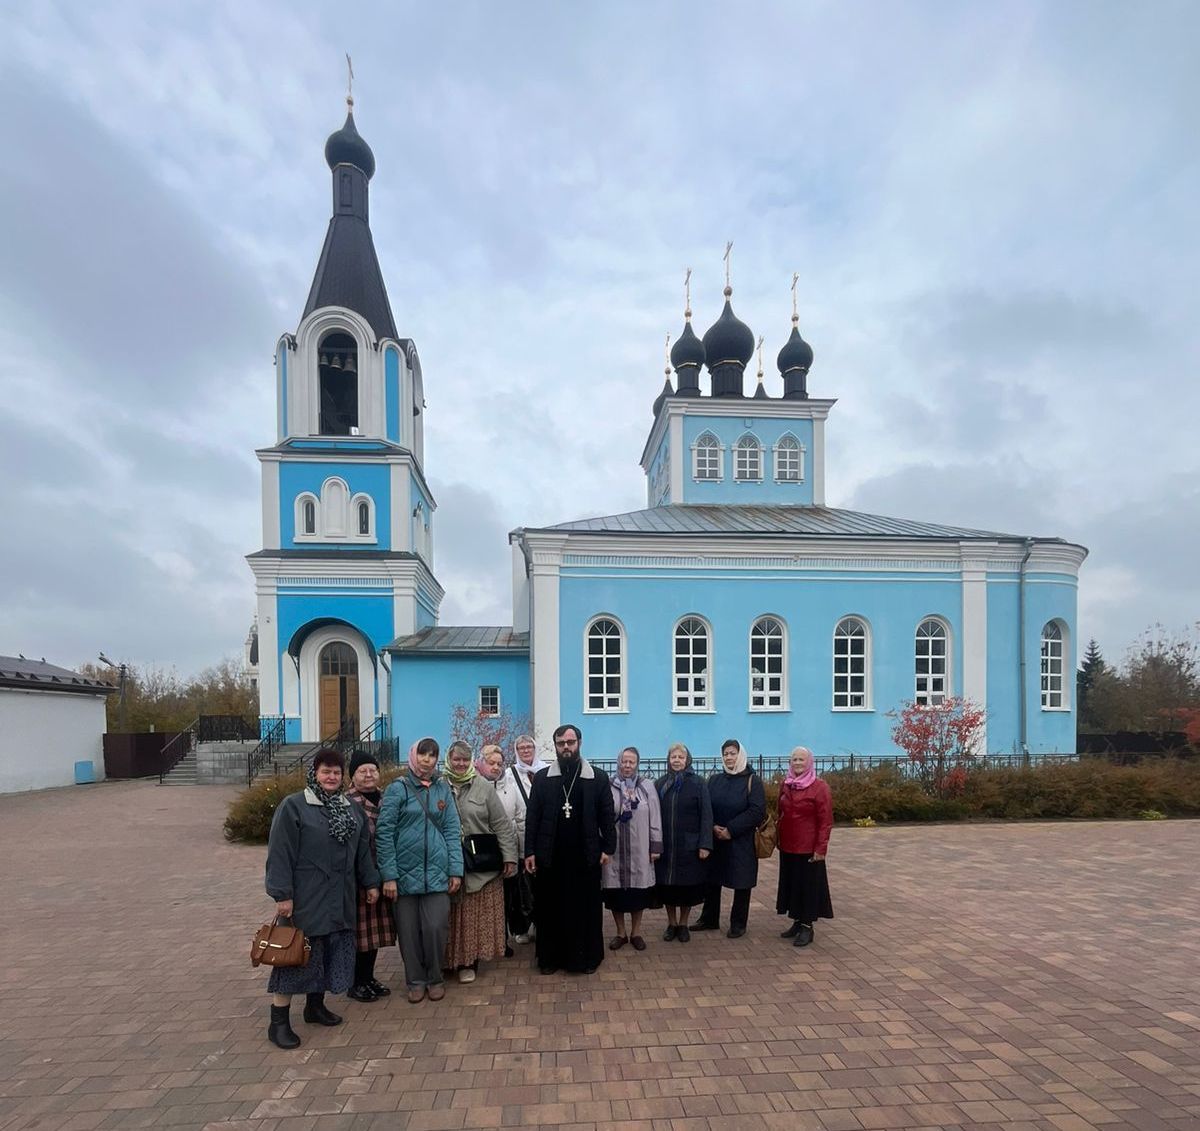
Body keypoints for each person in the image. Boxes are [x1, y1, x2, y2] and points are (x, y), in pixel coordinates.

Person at [264, 748, 380, 1049]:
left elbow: (362, 851)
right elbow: (280, 852)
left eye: (336, 772)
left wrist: (370, 882)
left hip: (340, 898)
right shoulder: (294, 806)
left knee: (327, 954)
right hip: (306, 898)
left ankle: (315, 1007)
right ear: (314, 773)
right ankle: (278, 1022)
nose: (331, 777)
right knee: (295, 957)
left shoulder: (349, 808)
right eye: (326, 771)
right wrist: (282, 894)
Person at [523, 723, 617, 975]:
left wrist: (608, 847)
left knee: (584, 909)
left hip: (585, 856)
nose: (566, 747)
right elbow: (533, 817)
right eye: (561, 743)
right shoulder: (543, 779)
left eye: (570, 742)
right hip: (550, 857)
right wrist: (529, 851)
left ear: (579, 744)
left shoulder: (597, 777)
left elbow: (607, 815)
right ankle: (550, 959)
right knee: (550, 909)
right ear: (555, 746)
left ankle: (585, 959)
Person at [377, 738, 463, 1003]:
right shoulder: (397, 789)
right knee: (409, 933)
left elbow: (451, 829)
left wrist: (455, 870)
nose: (427, 760)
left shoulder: (442, 789)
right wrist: (389, 875)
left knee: (436, 928)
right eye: (423, 754)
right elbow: (385, 833)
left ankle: (434, 977)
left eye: (432, 755)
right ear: (414, 756)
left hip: (437, 874)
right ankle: (415, 980)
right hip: (403, 876)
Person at [442, 741, 518, 983]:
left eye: (465, 759)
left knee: (472, 917)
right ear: (449, 759)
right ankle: (446, 961)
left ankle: (468, 962)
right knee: (449, 916)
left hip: (478, 863)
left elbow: (501, 825)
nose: (461, 764)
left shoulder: (483, 786)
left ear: (471, 760)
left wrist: (509, 857)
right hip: (445, 861)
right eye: (457, 759)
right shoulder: (437, 785)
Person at [692, 739, 766, 938]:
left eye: (733, 753)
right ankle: (709, 919)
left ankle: (738, 923)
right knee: (712, 881)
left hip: (741, 840)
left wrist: (731, 830)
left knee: (741, 882)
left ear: (740, 754)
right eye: (725, 754)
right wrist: (713, 826)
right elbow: (706, 806)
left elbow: (757, 811)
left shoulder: (753, 781)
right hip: (716, 838)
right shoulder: (715, 780)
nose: (729, 757)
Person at [345, 750, 397, 1001]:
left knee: (375, 932)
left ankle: (368, 977)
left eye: (372, 770)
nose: (368, 775)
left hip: (383, 871)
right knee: (361, 933)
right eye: (362, 771)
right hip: (359, 879)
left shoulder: (386, 798)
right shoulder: (347, 803)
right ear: (352, 777)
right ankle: (356, 982)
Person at [601, 746, 662, 952]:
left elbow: (655, 817)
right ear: (618, 762)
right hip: (615, 850)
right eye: (624, 761)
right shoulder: (608, 786)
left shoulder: (647, 787)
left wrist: (655, 846)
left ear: (637, 764)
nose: (627, 765)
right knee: (615, 893)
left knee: (638, 892)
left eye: (631, 762)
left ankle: (636, 932)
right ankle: (620, 933)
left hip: (640, 849)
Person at [776, 746, 834, 947]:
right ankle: (797, 921)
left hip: (808, 848)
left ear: (809, 762)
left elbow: (825, 821)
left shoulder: (820, 787)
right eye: (794, 760)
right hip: (788, 845)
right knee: (793, 885)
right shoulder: (786, 784)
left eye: (801, 759)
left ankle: (807, 927)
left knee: (808, 887)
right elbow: (780, 812)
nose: (797, 763)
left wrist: (821, 848)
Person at [655, 743, 712, 942]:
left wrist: (705, 844)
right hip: (667, 846)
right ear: (668, 760)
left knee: (686, 888)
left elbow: (706, 815)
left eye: (680, 757)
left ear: (687, 760)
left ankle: (684, 924)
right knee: (668, 887)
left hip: (689, 845)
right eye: (673, 757)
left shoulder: (698, 783)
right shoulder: (660, 784)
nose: (677, 760)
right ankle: (671, 923)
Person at [494, 734, 545, 944]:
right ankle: (521, 926)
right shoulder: (509, 774)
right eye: (521, 747)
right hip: (520, 836)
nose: (525, 750)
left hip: (542, 835)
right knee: (521, 887)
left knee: (541, 883)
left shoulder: (546, 770)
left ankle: (540, 923)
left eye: (529, 747)